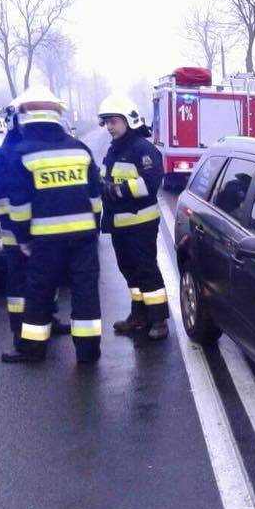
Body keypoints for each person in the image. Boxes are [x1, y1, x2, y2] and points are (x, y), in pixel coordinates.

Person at [2, 86, 102, 364]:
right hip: (83, 237)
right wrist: (92, 230)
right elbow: (95, 198)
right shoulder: (79, 149)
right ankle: (88, 352)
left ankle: (32, 350)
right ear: (56, 116)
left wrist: (23, 239)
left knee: (39, 292)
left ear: (26, 117)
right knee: (86, 292)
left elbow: (19, 208)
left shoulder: (21, 153)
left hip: (44, 241)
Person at [0, 106, 71, 350]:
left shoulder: (33, 150)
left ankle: (48, 320)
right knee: (20, 286)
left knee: (47, 279)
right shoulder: (4, 156)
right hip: (16, 236)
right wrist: (17, 226)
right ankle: (20, 332)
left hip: (42, 233)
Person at [98, 95, 169, 341]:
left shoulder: (143, 149)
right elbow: (106, 178)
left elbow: (151, 183)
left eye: (114, 121)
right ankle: (139, 315)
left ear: (128, 120)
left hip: (140, 224)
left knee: (147, 270)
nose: (109, 126)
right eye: (106, 122)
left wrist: (118, 190)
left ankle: (159, 320)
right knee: (129, 271)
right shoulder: (114, 149)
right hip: (119, 225)